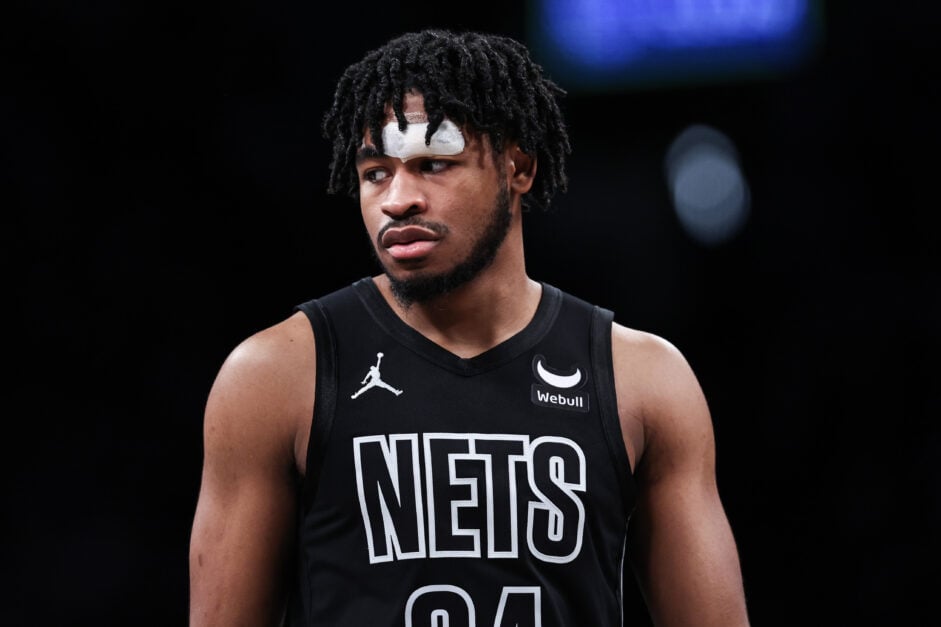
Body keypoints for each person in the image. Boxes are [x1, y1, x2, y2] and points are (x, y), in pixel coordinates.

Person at [188, 28, 751, 626]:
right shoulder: (276, 375)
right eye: (376, 172)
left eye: (434, 165)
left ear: (519, 167)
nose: (397, 199)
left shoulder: (642, 379)